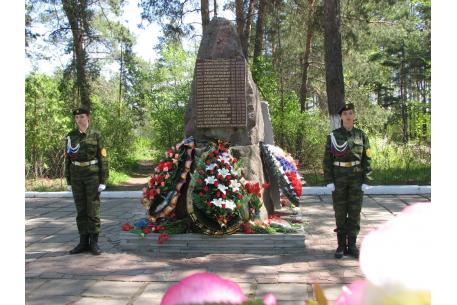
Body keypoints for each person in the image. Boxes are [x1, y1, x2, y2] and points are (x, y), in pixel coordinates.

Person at [323, 103, 372, 259]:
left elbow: (368, 158)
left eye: (350, 113)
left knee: (355, 212)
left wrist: (367, 179)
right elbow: (327, 160)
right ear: (341, 117)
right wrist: (329, 180)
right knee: (340, 211)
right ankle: (340, 245)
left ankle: (351, 245)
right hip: (339, 177)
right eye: (345, 114)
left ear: (354, 115)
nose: (348, 116)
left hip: (356, 177)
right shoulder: (333, 135)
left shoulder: (362, 135)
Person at [64, 105, 108, 255]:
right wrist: (68, 180)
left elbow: (103, 158)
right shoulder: (71, 136)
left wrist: (103, 180)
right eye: (76, 117)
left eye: (82, 116)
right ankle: (83, 242)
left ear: (88, 117)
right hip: (76, 176)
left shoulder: (96, 135)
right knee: (81, 209)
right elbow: (67, 159)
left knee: (93, 209)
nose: (79, 119)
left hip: (92, 175)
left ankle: (94, 243)